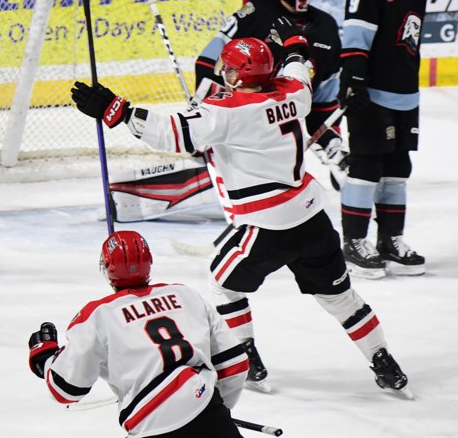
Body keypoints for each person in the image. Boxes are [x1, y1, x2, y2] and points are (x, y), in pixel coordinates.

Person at [71, 20, 412, 399]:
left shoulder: (228, 110)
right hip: (313, 218)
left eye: (232, 69)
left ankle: (247, 357)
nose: (227, 74)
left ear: (244, 73)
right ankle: (382, 359)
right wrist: (296, 44)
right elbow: (299, 65)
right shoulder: (295, 93)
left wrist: (115, 110)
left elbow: (173, 132)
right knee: (341, 298)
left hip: (263, 225)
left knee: (222, 285)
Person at [27, 230, 261, 438]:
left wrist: (45, 359)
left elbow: (66, 390)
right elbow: (235, 363)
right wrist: (212, 409)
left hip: (156, 435)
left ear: (106, 268)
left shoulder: (97, 315)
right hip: (214, 423)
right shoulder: (186, 295)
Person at [194, 0, 347, 189]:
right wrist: (200, 107)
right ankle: (199, 145)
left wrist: (330, 137)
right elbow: (210, 56)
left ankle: (337, 158)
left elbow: (323, 102)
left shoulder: (326, 26)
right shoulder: (258, 10)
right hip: (247, 108)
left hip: (284, 116)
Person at [337, 0, 429, 279]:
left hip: (405, 91)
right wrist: (353, 79)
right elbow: (358, 30)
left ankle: (389, 239)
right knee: (366, 166)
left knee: (398, 167)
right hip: (371, 92)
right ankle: (354, 242)